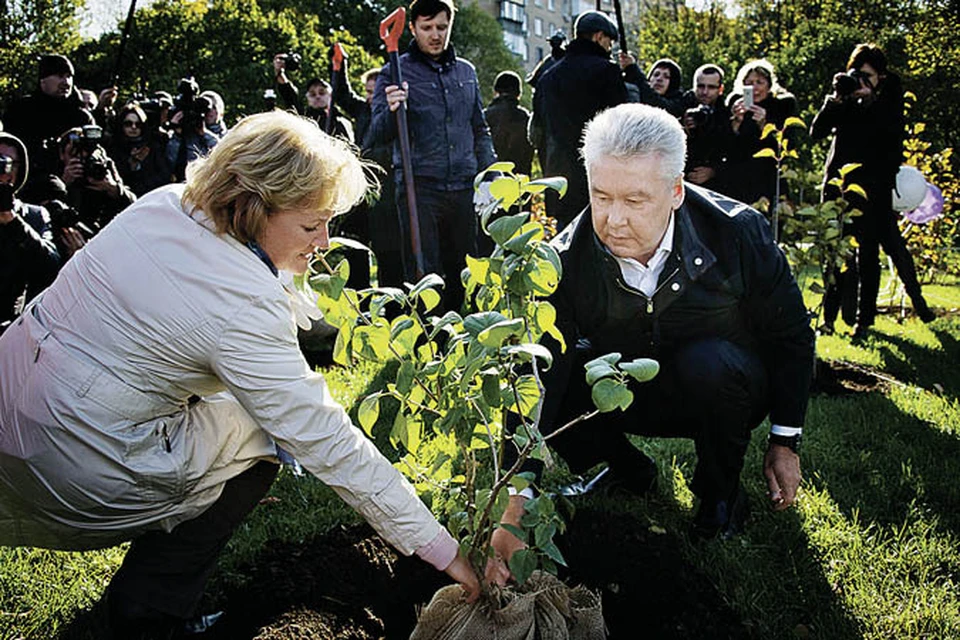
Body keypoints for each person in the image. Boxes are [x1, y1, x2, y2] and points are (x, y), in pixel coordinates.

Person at [0, 111, 479, 638]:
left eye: (328, 222)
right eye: (309, 224)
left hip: (12, 411)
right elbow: (321, 435)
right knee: (260, 438)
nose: (323, 241)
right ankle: (146, 614)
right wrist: (440, 548)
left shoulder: (164, 205)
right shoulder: (243, 304)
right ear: (255, 207)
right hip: (71, 457)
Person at [488, 104, 814, 583]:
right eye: (601, 196)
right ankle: (626, 469)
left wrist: (786, 441)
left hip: (719, 387)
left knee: (713, 364)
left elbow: (791, 335)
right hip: (626, 385)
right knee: (559, 371)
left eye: (635, 201)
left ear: (676, 191)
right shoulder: (563, 259)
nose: (614, 219)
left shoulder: (737, 232)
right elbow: (536, 373)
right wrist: (516, 498)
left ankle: (720, 495)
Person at [368, 0, 496, 311]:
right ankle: (430, 341)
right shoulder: (395, 72)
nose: (436, 35)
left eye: (442, 27)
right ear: (412, 29)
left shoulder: (466, 72)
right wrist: (393, 109)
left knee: (466, 270)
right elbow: (374, 136)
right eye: (427, 28)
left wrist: (491, 175)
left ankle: (465, 339)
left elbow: (479, 128)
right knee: (425, 271)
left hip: (464, 187)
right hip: (420, 187)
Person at [811, 43, 935, 335]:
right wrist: (837, 98)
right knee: (836, 256)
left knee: (868, 257)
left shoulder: (889, 103)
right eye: (857, 74)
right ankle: (828, 320)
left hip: (873, 191)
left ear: (880, 77)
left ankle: (864, 323)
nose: (861, 81)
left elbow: (893, 145)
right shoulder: (844, 98)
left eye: (868, 76)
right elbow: (817, 132)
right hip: (838, 189)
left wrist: (871, 102)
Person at [530, 10, 628, 229]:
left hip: (559, 180)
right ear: (598, 36)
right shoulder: (606, 71)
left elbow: (539, 133)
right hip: (599, 180)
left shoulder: (548, 77)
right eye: (609, 41)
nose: (609, 48)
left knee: (567, 248)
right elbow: (621, 128)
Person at [0, 132, 62, 333]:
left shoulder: (34, 216)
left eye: (8, 164)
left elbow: (50, 265)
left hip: (8, 327)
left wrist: (12, 221)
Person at [2, 54, 94, 181]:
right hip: (33, 185)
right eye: (59, 76)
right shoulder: (21, 111)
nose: (66, 83)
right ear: (43, 80)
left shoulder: (81, 117)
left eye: (69, 77)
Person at [724, 59, 798, 208]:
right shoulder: (734, 103)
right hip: (738, 179)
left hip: (768, 177)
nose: (754, 88)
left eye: (760, 82)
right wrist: (736, 122)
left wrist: (764, 124)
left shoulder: (783, 104)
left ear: (769, 85)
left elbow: (788, 145)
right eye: (749, 83)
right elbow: (725, 146)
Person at [55, 125, 136, 234]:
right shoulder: (53, 173)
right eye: (75, 155)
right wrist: (63, 184)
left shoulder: (104, 166)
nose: (82, 162)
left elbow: (133, 204)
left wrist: (114, 189)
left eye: (86, 156)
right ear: (62, 155)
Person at [681, 64, 734, 193]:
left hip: (717, 187)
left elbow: (736, 155)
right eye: (700, 86)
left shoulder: (728, 114)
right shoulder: (682, 106)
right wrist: (683, 130)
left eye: (711, 87)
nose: (705, 92)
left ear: (720, 89)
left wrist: (713, 171)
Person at [108, 102, 173, 197]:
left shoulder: (153, 147)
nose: (133, 127)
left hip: (149, 197)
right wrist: (131, 166)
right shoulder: (113, 148)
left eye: (138, 124)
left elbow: (163, 175)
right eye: (128, 124)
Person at [485, 71, 534, 177]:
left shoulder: (484, 117)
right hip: (519, 181)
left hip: (491, 181)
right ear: (518, 94)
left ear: (495, 92)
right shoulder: (525, 118)